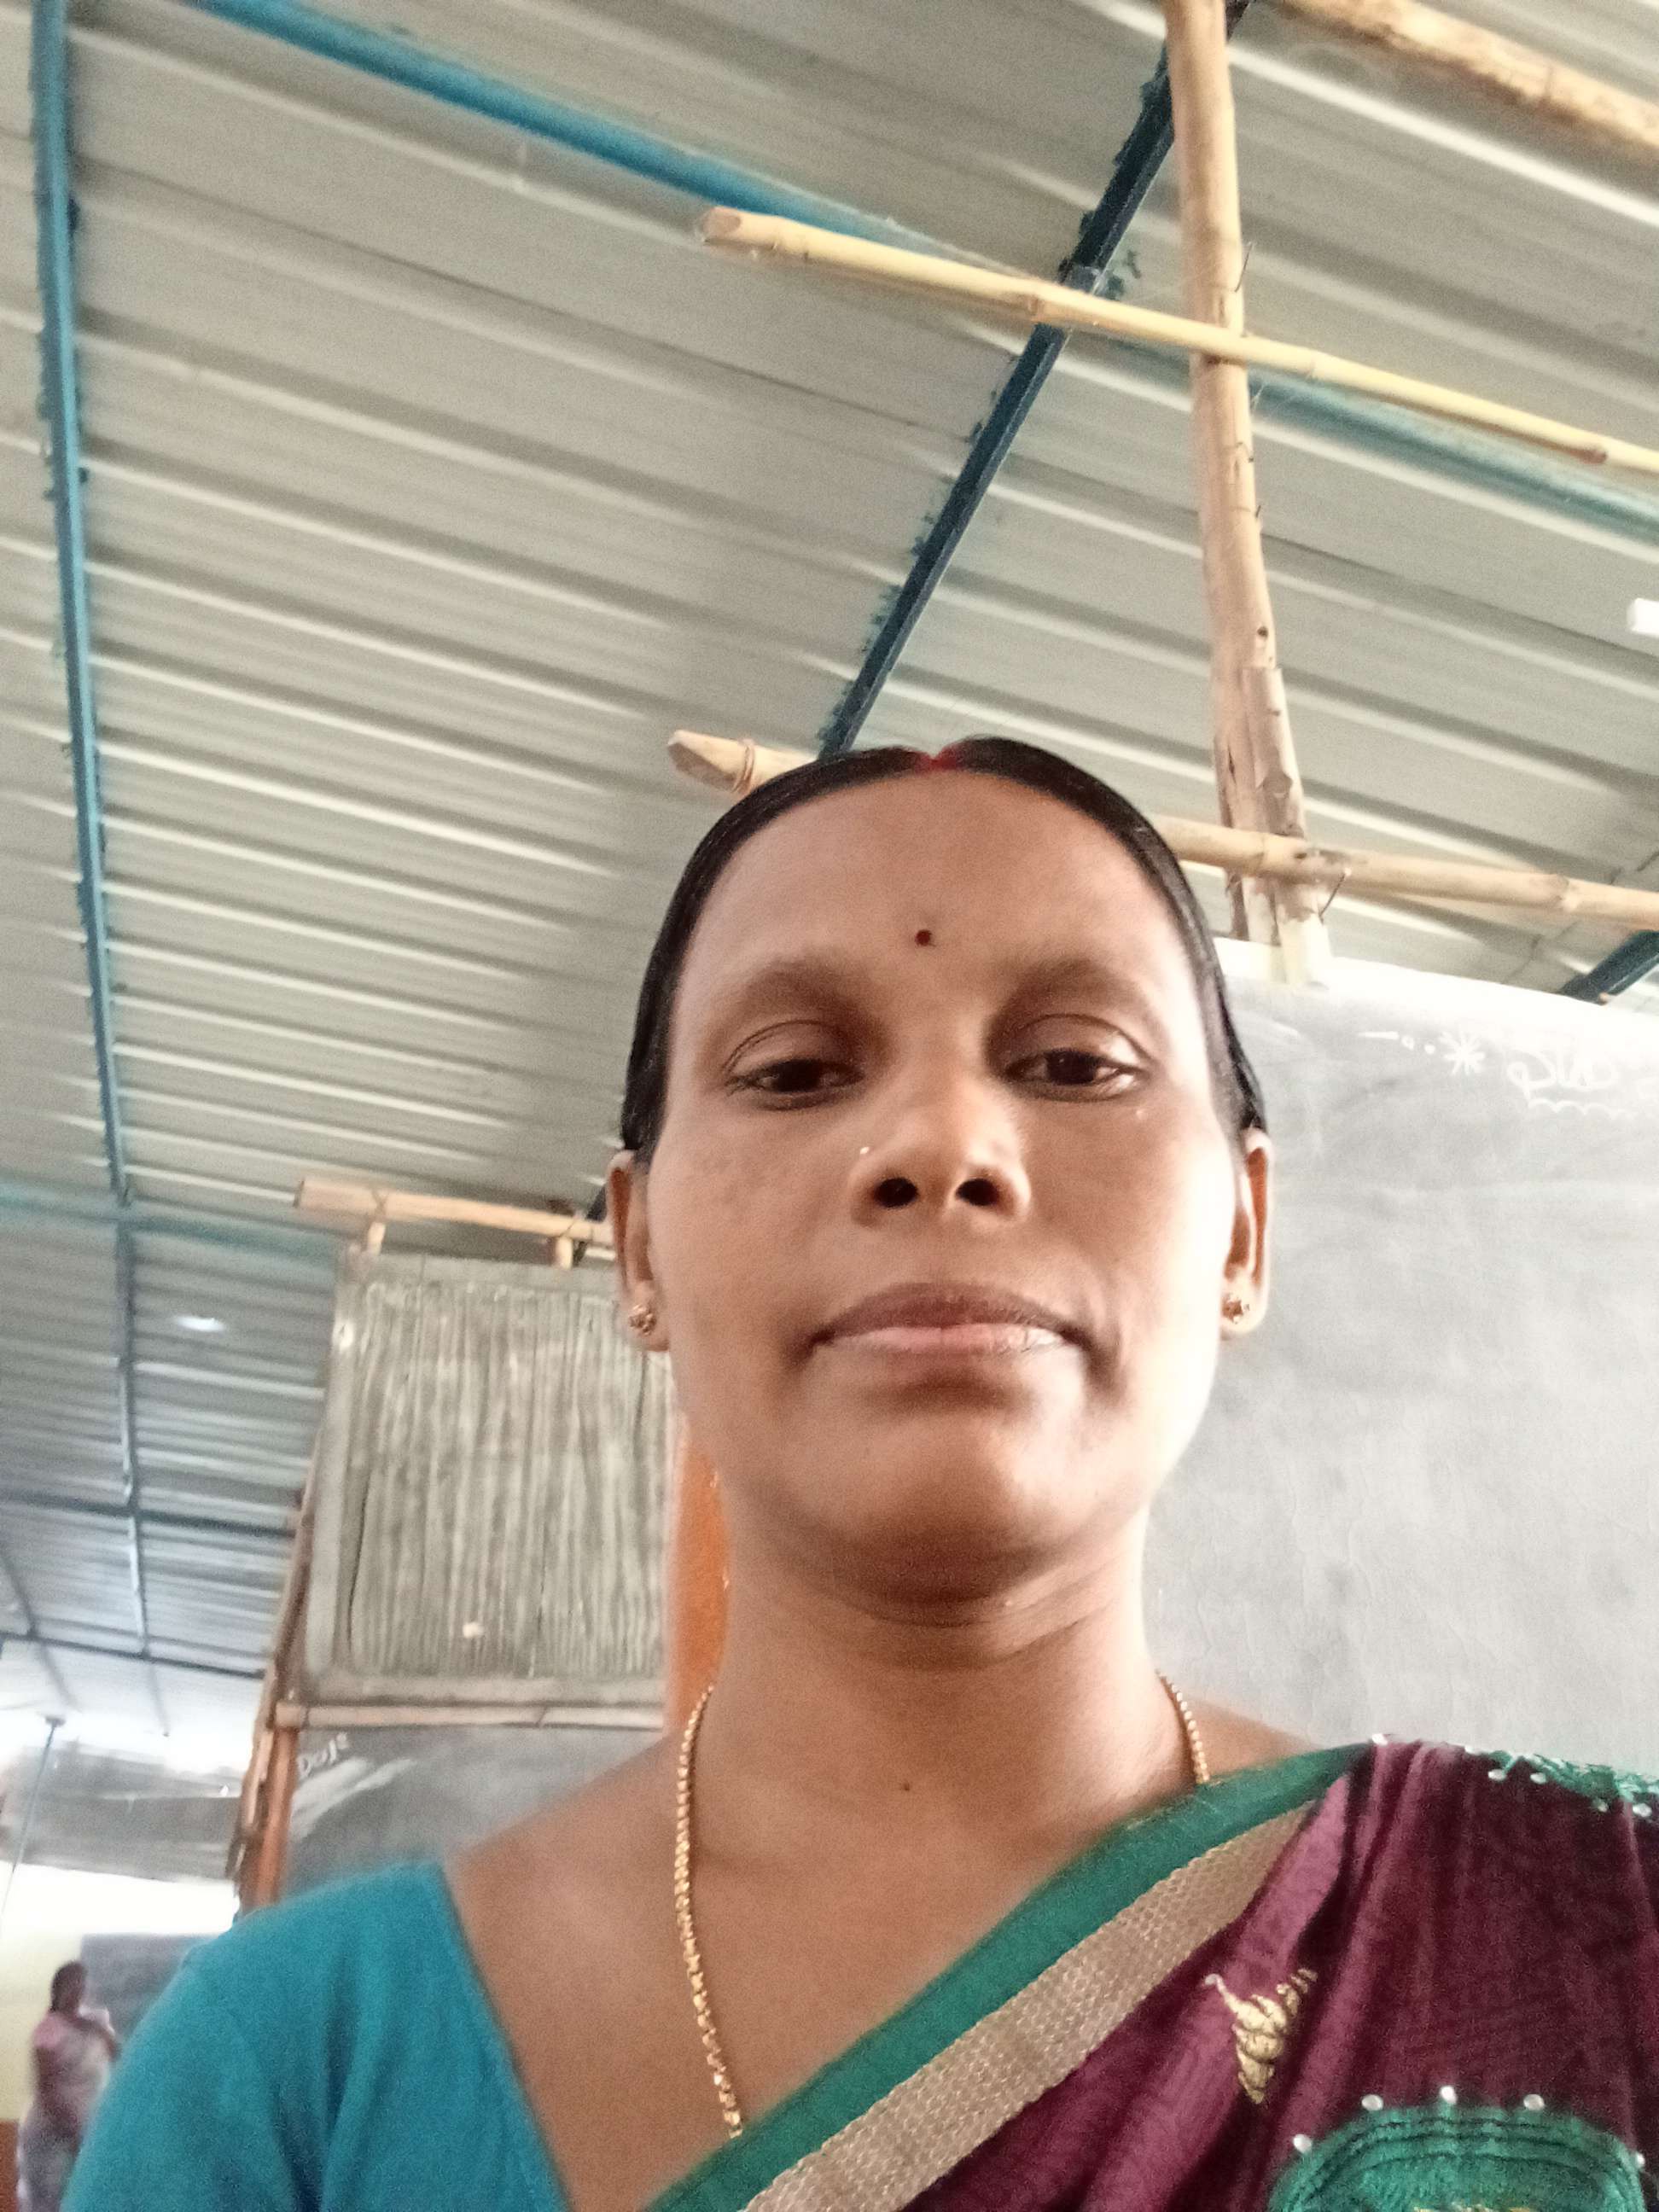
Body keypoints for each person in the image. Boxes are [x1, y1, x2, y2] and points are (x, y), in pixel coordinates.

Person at [70, 740, 1659, 2211]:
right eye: (791, 1071)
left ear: (1241, 1230)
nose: (940, 1143)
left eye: (1074, 1061)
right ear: (638, 1248)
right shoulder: (290, 2076)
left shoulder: (1594, 1936)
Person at [19, 1962, 118, 2212]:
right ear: (57, 1989)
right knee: (52, 2198)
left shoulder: (97, 2021)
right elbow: (46, 2087)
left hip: (89, 2124)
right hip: (53, 2130)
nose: (77, 1989)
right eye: (70, 1983)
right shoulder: (48, 2028)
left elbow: (118, 2055)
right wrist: (72, 2130)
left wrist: (98, 2030)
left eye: (81, 1983)